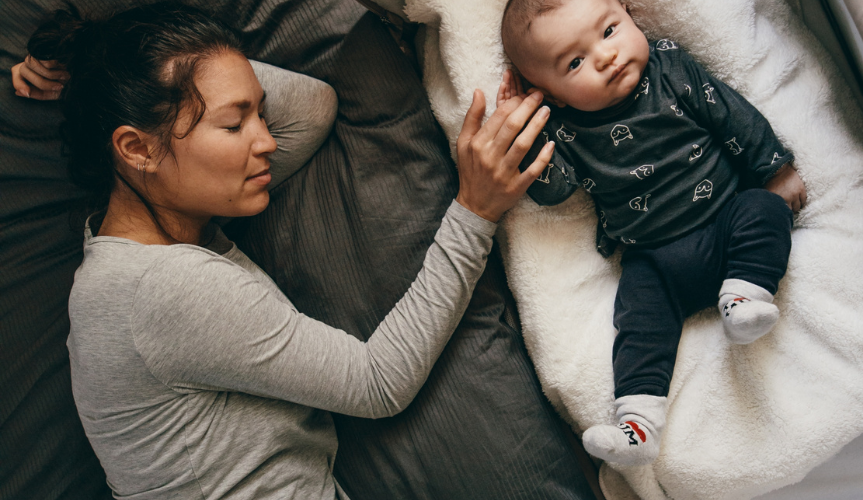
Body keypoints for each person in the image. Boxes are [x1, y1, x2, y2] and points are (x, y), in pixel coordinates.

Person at [14, 2, 554, 499]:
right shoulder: (164, 288)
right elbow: (377, 382)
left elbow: (312, 109)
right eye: (234, 124)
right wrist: (475, 209)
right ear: (136, 148)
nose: (267, 140)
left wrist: (96, 72)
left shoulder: (139, 246)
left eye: (259, 114)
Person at [499, 0, 808, 466]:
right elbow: (552, 190)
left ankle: (745, 294)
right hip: (654, 261)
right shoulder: (564, 130)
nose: (606, 56)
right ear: (552, 96)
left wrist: (774, 167)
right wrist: (522, 133)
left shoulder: (668, 68)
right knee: (637, 321)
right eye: (575, 62)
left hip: (725, 219)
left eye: (609, 30)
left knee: (765, 208)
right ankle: (638, 423)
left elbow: (731, 114)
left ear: (628, 13)